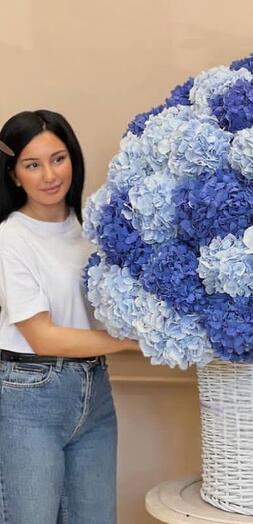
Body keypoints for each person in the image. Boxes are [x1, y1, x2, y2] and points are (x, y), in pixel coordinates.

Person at [0, 110, 140, 524]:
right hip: (28, 396)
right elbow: (43, 337)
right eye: (32, 164)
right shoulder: (11, 237)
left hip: (94, 388)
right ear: (14, 175)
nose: (49, 175)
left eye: (58, 158)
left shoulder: (90, 231)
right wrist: (135, 341)